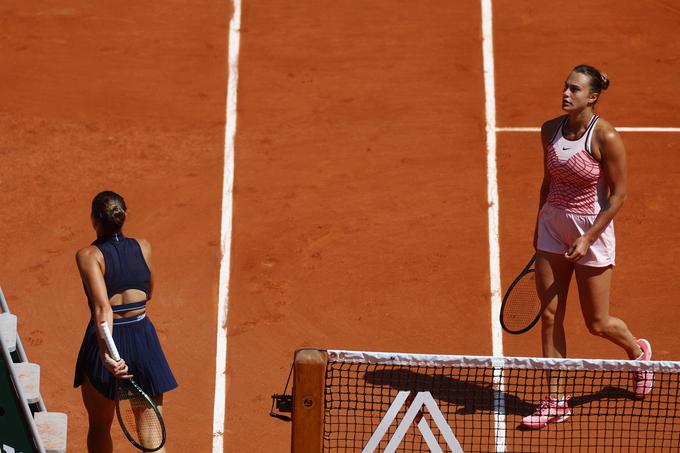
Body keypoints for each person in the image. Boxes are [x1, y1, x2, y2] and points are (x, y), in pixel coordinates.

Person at [520, 65, 652, 429]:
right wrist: (539, 228)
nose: (566, 93)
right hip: (552, 227)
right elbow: (547, 184)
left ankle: (637, 353)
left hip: (590, 230)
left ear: (592, 97)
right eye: (565, 86)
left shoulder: (605, 136)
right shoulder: (549, 130)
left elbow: (619, 195)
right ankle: (556, 400)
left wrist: (588, 236)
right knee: (550, 317)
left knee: (597, 322)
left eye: (575, 89)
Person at [73, 191, 177, 451]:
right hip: (143, 340)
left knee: (99, 425)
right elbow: (149, 292)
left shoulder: (89, 256)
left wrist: (107, 354)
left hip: (108, 341)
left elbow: (102, 308)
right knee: (150, 430)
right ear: (124, 216)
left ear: (94, 220)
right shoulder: (144, 246)